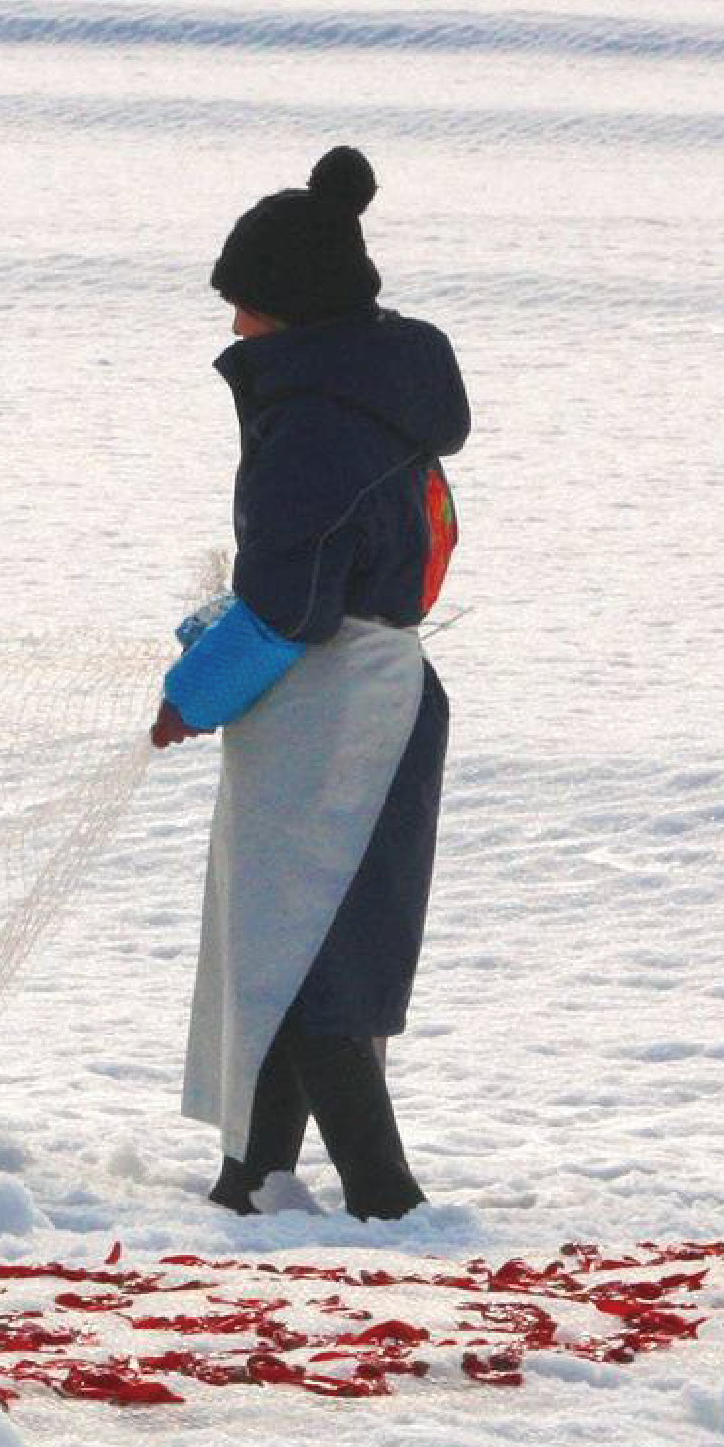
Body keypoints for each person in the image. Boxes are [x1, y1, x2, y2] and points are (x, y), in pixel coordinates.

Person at [153, 146, 469, 1221]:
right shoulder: (378, 395)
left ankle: (383, 1197)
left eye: (245, 305)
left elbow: (288, 606)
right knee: (291, 944)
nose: (233, 325)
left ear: (289, 311)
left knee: (311, 951)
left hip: (335, 717)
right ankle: (250, 1178)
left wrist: (189, 692)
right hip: (381, 691)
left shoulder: (313, 427)